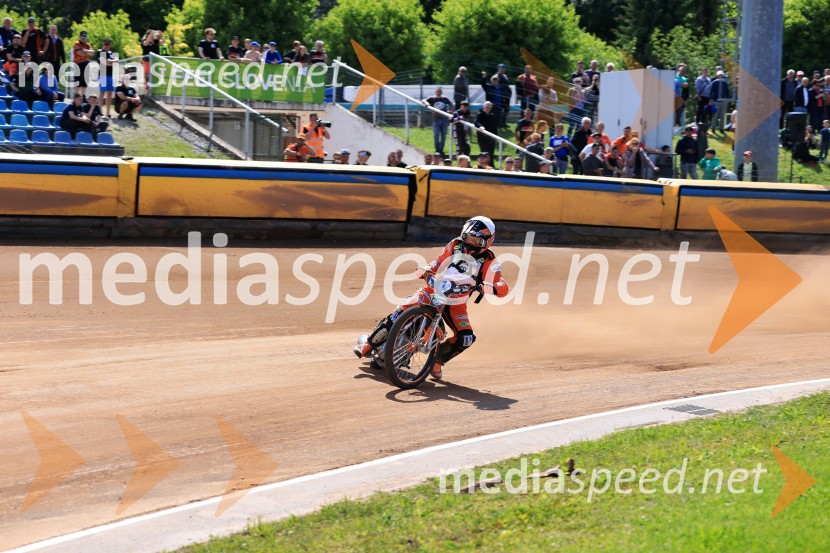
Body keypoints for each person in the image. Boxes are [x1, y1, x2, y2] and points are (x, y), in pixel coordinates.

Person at [353, 216, 509, 380]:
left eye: (476, 241)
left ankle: (437, 361)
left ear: (488, 241)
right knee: (400, 312)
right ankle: (369, 344)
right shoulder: (454, 245)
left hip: (456, 304)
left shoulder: (490, 261)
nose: (470, 243)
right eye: (468, 237)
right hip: (434, 291)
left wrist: (489, 288)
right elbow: (437, 263)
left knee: (466, 338)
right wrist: (426, 269)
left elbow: (502, 286)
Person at [422, 86, 453, 157]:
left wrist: (451, 110)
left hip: (445, 119)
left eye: (440, 91)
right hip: (436, 119)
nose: (439, 92)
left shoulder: (445, 98)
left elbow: (451, 103)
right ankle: (437, 149)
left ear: (442, 92)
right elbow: (423, 100)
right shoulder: (432, 98)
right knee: (436, 134)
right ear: (435, 92)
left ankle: (441, 149)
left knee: (443, 135)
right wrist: (426, 103)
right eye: (437, 91)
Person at [97, 38, 117, 117]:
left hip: (110, 75)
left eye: (108, 44)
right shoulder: (100, 52)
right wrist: (111, 62)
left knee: (109, 93)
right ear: (103, 44)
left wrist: (110, 61)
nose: (106, 46)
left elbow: (116, 60)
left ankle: (108, 112)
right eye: (105, 44)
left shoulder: (111, 53)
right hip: (102, 75)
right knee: (102, 93)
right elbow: (104, 63)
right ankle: (99, 111)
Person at [72, 31, 95, 99]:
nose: (83, 38)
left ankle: (83, 97)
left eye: (85, 36)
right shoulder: (77, 43)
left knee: (84, 82)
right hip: (78, 64)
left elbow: (92, 53)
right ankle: (76, 98)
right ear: (80, 36)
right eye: (82, 36)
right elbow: (80, 53)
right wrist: (87, 53)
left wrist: (84, 50)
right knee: (77, 82)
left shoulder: (88, 45)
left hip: (85, 64)